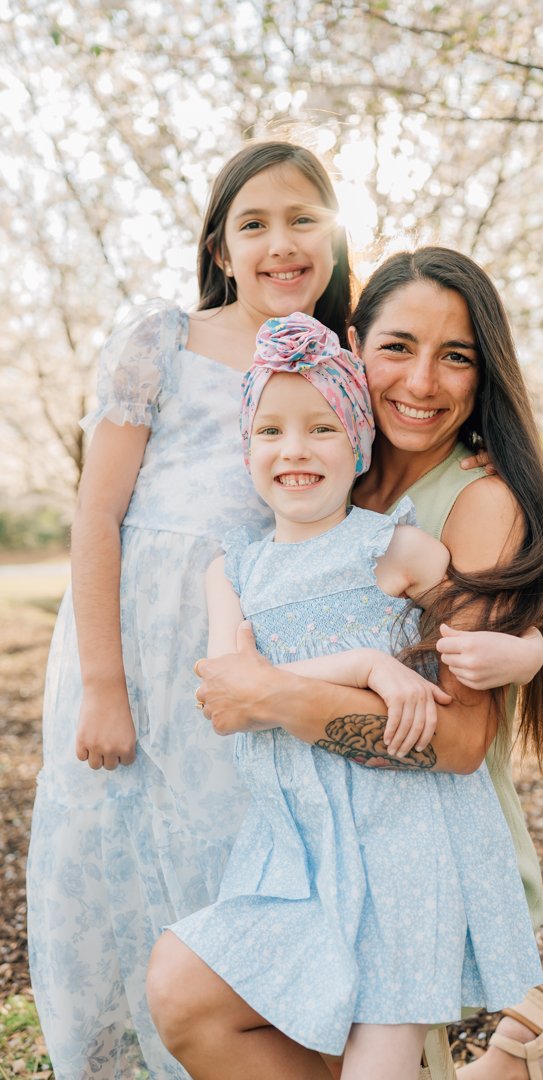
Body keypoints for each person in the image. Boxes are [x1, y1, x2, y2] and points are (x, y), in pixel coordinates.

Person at [149, 248, 543, 1080]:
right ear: (353, 346)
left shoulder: (472, 501)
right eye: (398, 347)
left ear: (483, 374)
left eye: (456, 356)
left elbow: (454, 739)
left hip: (421, 843)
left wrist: (278, 693)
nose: (422, 381)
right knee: (190, 995)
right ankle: (518, 1068)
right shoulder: (322, 474)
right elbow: (231, 657)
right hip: (314, 840)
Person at [25, 140, 357, 1080]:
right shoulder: (165, 342)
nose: (280, 242)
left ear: (334, 238)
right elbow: (98, 513)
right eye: (254, 224)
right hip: (135, 652)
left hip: (252, 657)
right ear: (220, 248)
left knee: (232, 860)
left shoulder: (341, 359)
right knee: (118, 849)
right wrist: (104, 685)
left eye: (303, 219)